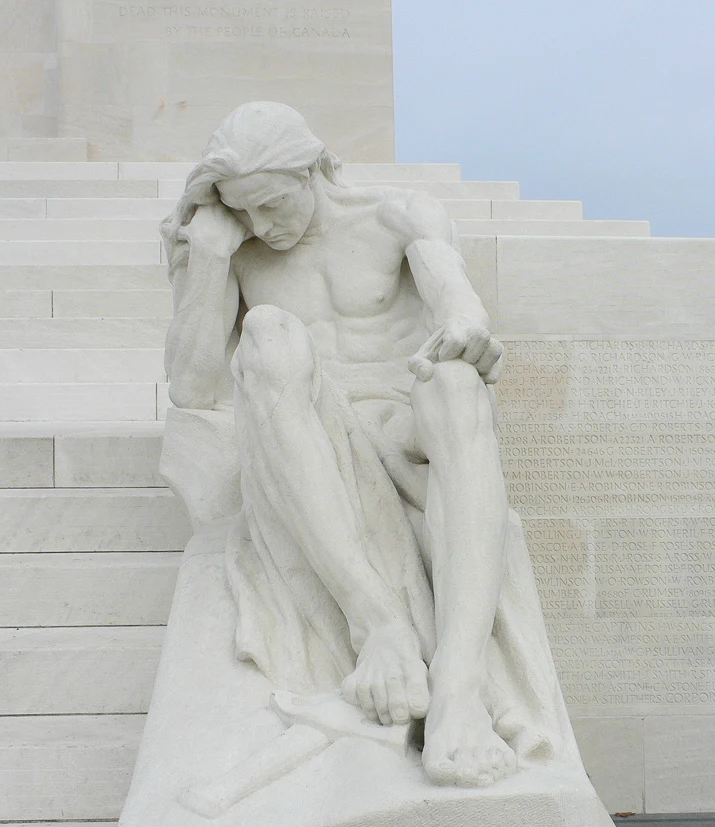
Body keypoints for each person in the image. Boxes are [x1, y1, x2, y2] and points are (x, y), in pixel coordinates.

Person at [160, 103, 568, 789]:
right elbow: (193, 387)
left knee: (456, 385)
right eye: (244, 213)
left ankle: (459, 688)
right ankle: (377, 624)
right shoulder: (235, 254)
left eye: (270, 205)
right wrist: (206, 257)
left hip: (403, 434)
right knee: (268, 332)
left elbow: (454, 297)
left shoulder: (398, 216)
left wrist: (465, 327)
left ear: (312, 169)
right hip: (309, 442)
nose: (261, 227)